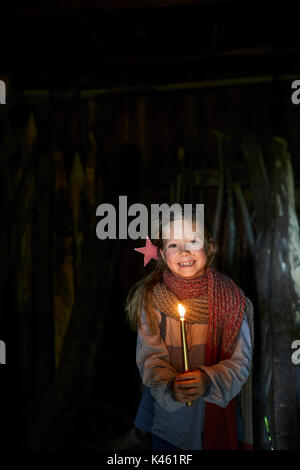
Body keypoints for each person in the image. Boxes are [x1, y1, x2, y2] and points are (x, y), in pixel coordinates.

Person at [126, 209, 254, 450]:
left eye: (193, 241)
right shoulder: (153, 302)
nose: (184, 251)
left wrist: (208, 381)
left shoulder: (233, 301)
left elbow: (240, 364)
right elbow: (150, 360)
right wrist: (172, 388)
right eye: (174, 244)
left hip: (221, 420)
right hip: (172, 429)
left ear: (210, 246)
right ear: (163, 254)